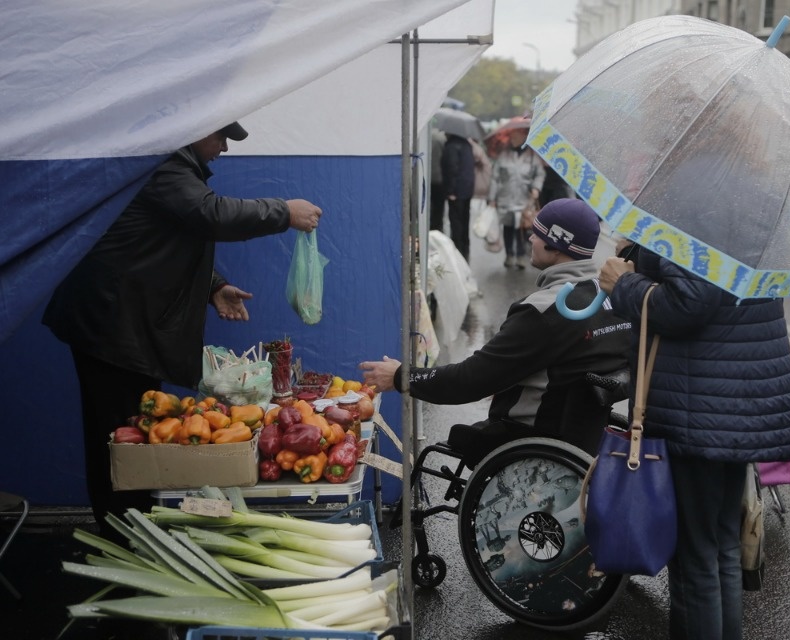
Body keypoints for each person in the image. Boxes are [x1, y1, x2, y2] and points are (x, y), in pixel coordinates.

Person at [42, 122, 323, 538]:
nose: (223, 148)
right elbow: (210, 215)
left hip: (124, 323)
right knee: (120, 439)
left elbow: (162, 240)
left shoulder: (171, 168)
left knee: (132, 432)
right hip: (112, 327)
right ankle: (123, 534)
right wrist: (284, 212)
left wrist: (214, 286)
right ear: (195, 129)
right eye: (220, 137)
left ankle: (134, 526)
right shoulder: (164, 164)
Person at [599, 240, 790, 640]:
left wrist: (624, 285)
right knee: (721, 548)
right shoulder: (749, 206)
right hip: (731, 399)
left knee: (696, 561)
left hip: (700, 405)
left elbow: (691, 300)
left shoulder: (696, 210)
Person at [360, 199, 632, 460]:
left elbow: (469, 380)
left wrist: (401, 377)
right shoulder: (616, 298)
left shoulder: (544, 310)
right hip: (585, 437)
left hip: (531, 438)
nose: (529, 239)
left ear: (555, 244)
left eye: (536, 234)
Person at [487, 124, 545, 270]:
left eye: (515, 136)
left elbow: (540, 174)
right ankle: (509, 254)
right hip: (505, 198)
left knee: (522, 228)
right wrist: (492, 198)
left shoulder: (532, 156)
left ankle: (520, 256)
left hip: (524, 199)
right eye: (511, 136)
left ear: (523, 137)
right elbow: (495, 177)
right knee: (507, 228)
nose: (512, 139)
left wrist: (536, 188)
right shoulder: (503, 154)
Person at [440, 133, 476, 262]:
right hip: (467, 189)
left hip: (456, 191)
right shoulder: (467, 145)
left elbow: (451, 168)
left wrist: (450, 190)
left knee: (455, 221)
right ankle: (465, 249)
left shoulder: (451, 146)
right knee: (465, 219)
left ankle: (457, 250)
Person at [429, 128, 448, 232]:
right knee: (439, 208)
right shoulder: (442, 139)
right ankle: (437, 229)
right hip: (440, 178)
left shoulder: (423, 137)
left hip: (426, 177)